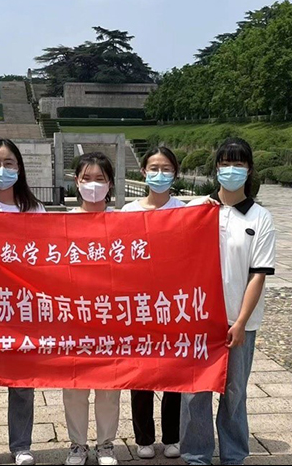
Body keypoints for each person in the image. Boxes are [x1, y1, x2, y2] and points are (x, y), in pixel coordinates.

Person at [180, 137, 276, 465]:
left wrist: (241, 321)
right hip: (197, 317)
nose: (231, 170)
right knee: (194, 391)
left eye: (238, 163)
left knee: (234, 392)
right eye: (224, 163)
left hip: (239, 320)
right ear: (216, 168)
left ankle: (234, 456)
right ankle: (196, 455)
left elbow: (258, 275)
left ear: (249, 169)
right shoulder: (197, 209)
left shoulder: (260, 217)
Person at [0, 139, 44, 466]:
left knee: (23, 384)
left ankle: (21, 445)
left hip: (23, 309)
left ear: (20, 168)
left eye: (9, 163)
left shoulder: (34, 209)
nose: (3, 169)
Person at [120, 146, 184, 460]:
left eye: (166, 169)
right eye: (154, 168)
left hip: (174, 304)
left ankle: (173, 435)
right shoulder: (128, 212)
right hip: (138, 304)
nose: (159, 174)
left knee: (175, 372)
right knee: (141, 373)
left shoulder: (184, 211)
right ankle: (143, 437)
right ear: (143, 172)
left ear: (175, 173)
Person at [64, 152, 120, 466]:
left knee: (109, 386)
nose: (93, 185)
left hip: (112, 316)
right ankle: (77, 445)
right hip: (73, 316)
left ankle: (106, 445)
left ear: (110, 183)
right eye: (87, 178)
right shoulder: (62, 222)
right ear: (77, 182)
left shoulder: (123, 222)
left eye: (100, 179)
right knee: (74, 385)